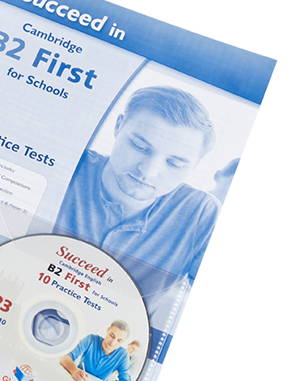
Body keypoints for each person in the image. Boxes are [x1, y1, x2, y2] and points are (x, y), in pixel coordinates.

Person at [55, 86, 220, 282]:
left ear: (196, 165)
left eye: (174, 163)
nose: (148, 172)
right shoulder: (67, 165)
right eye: (139, 146)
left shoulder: (201, 214)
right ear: (118, 126)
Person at [59, 321, 132, 381]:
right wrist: (74, 371)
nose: (113, 342)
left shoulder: (123, 355)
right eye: (112, 335)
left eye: (119, 340)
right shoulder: (91, 339)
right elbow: (65, 358)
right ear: (108, 330)